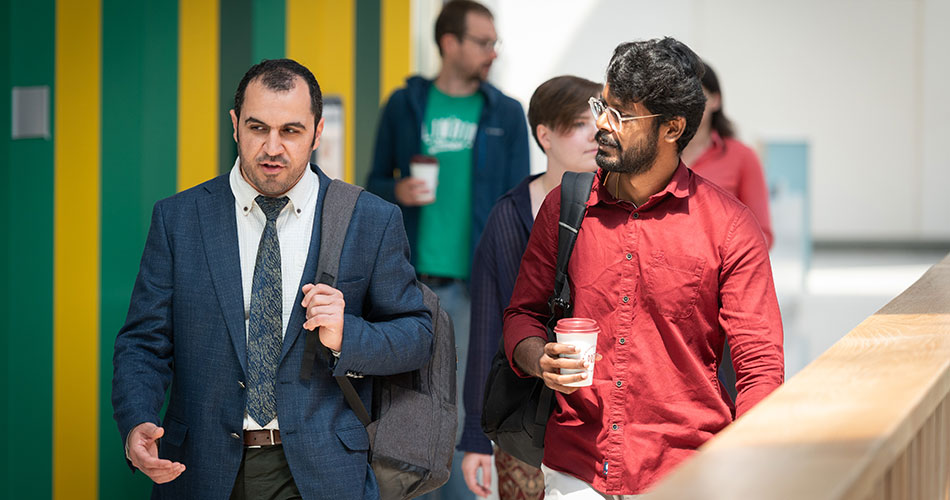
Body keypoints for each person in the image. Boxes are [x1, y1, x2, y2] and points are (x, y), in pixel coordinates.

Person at [112, 59, 433, 500]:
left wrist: (347, 335)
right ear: (234, 125)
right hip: (200, 469)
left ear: (318, 132)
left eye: (291, 131)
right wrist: (136, 421)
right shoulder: (179, 219)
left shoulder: (370, 220)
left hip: (325, 471)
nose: (272, 147)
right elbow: (142, 343)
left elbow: (416, 335)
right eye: (258, 128)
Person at [503, 38, 785, 498]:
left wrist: (749, 464)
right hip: (576, 470)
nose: (601, 125)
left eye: (620, 115)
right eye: (602, 105)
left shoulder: (730, 228)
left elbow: (759, 367)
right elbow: (522, 316)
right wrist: (539, 358)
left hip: (686, 473)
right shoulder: (565, 207)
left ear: (672, 128)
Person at [366, 1, 529, 498]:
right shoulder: (404, 104)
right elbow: (373, 182)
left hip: (474, 286)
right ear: (449, 43)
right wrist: (397, 191)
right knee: (406, 406)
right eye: (483, 42)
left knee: (461, 407)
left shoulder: (506, 113)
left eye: (494, 42)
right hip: (406, 285)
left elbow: (518, 203)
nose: (492, 52)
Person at [459, 76, 602, 499]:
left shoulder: (614, 210)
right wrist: (473, 439)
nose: (595, 134)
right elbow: (488, 328)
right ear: (545, 135)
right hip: (524, 415)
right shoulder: (509, 215)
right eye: (579, 124)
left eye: (598, 120)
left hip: (594, 415)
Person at [681, 61, 773, 248]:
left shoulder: (742, 157)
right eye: (681, 97)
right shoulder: (656, 154)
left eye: (697, 95)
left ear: (715, 100)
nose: (688, 104)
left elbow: (762, 234)